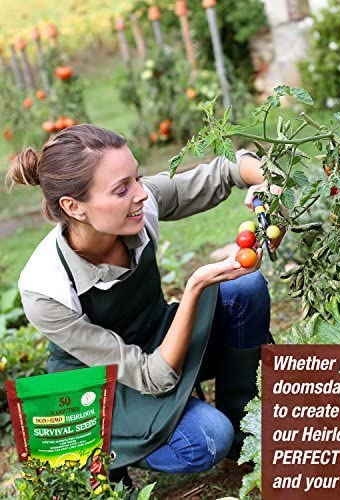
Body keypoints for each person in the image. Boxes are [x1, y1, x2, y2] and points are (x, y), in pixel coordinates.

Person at [7, 124, 281, 482]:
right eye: (122, 189)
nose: (141, 194)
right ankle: (98, 453)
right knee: (206, 439)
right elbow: (153, 377)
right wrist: (196, 284)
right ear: (74, 207)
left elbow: (225, 171)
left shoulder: (137, 207)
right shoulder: (45, 288)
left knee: (244, 288)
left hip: (156, 340)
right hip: (101, 386)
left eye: (136, 178)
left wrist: (267, 185)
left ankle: (244, 441)